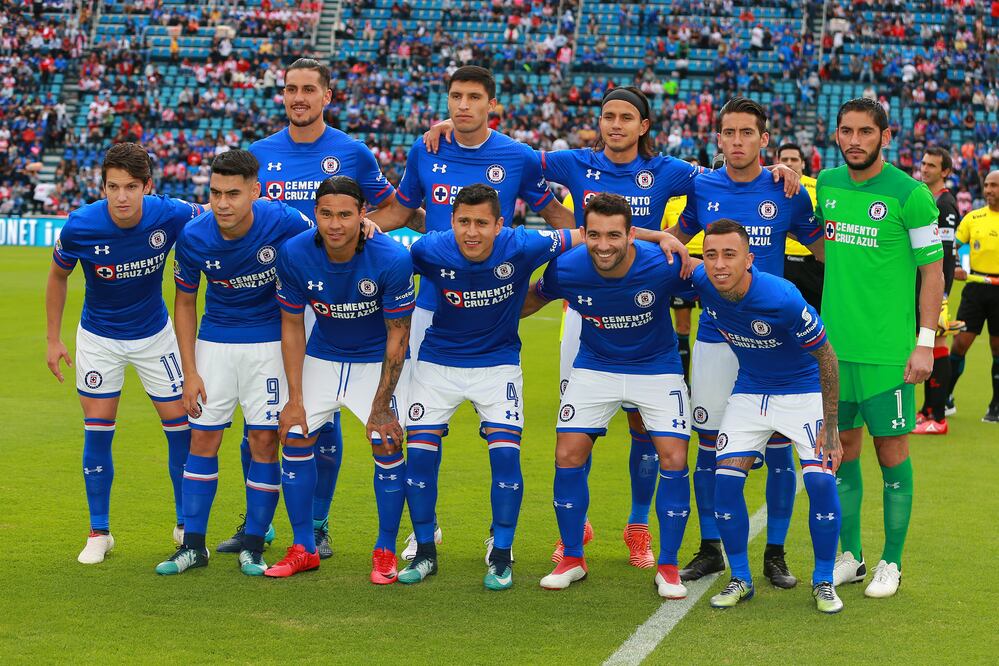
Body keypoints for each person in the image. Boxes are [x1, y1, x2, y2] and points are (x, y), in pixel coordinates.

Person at [229, 57, 419, 559]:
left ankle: (317, 523)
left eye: (309, 89)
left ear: (327, 96)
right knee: (265, 417)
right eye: (291, 89)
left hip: (335, 295)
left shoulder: (352, 152)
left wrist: (371, 225)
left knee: (324, 421)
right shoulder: (259, 153)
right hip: (274, 297)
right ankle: (258, 520)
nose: (299, 98)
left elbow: (393, 207)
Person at [387, 66, 574, 561]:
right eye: (456, 96)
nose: (463, 105)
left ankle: (500, 536)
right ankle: (423, 531)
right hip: (430, 311)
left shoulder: (517, 156)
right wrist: (355, 229)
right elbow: (402, 213)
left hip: (493, 313)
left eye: (474, 97)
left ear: (493, 104)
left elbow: (558, 218)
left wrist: (601, 248)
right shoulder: (426, 148)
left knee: (500, 438)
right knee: (419, 432)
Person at [670, 98, 823, 588]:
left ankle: (775, 553)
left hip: (774, 343)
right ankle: (710, 547)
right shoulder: (702, 186)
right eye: (729, 133)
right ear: (718, 138)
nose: (737, 141)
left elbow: (826, 252)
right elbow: (673, 239)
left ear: (764, 139)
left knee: (779, 449)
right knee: (708, 447)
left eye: (747, 133)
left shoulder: (787, 190)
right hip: (716, 337)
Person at [400, 184, 578, 590]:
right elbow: (380, 257)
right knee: (420, 458)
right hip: (438, 364)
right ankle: (425, 550)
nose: (472, 232)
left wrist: (660, 238)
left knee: (506, 458)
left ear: (500, 224)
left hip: (498, 366)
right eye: (463, 221)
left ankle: (500, 553)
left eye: (482, 223)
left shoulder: (524, 244)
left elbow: (591, 236)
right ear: (451, 222)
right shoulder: (429, 249)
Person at [521, 193, 694, 599]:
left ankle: (668, 566)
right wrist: (483, 318)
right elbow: (532, 299)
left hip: (656, 368)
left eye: (614, 235)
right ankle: (573, 558)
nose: (603, 245)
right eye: (595, 235)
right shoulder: (567, 267)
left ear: (632, 235)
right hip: (595, 366)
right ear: (584, 234)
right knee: (567, 454)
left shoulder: (663, 264)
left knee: (674, 458)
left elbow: (717, 283)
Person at [155, 150, 312, 576]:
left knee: (264, 443)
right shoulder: (193, 236)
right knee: (201, 442)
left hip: (270, 347)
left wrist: (368, 226)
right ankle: (193, 546)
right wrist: (190, 371)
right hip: (215, 344)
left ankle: (255, 546)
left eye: (233, 194)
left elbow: (326, 240)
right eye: (215, 193)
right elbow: (184, 303)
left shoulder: (285, 221)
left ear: (255, 191)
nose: (222, 203)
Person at [46, 142, 204, 564]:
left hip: (156, 336)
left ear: (147, 186)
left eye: (131, 187)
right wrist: (53, 339)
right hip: (99, 339)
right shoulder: (80, 225)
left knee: (181, 429)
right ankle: (99, 532)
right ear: (102, 186)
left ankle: (186, 525)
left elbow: (218, 214)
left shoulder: (170, 214)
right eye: (113, 187)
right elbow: (58, 277)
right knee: (97, 430)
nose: (121, 197)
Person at [817, 97, 944, 598]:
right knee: (841, 453)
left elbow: (933, 273)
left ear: (885, 137)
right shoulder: (827, 184)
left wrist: (925, 343)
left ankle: (892, 562)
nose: (854, 141)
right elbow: (822, 245)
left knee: (891, 454)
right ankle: (851, 556)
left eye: (865, 132)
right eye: (846, 131)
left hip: (888, 354)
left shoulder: (911, 195)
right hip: (833, 351)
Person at [690, 220, 844, 614]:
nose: (719, 264)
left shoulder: (782, 297)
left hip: (801, 391)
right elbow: (664, 251)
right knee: (725, 484)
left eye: (729, 255)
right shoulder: (703, 281)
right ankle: (741, 578)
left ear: (749, 259)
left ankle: (824, 581)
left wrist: (831, 426)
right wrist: (657, 236)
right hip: (750, 391)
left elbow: (827, 356)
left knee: (821, 482)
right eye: (710, 255)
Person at [271, 176, 415, 580]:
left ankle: (385, 550)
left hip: (374, 361)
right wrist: (294, 398)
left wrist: (382, 405)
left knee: (387, 441)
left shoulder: (391, 258)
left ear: (363, 214)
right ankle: (304, 547)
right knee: (294, 433)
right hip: (323, 355)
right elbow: (292, 326)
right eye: (326, 214)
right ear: (315, 213)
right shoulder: (294, 253)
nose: (335, 224)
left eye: (345, 215)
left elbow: (398, 335)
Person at [913, 146, 962, 433]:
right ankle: (926, 410)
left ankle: (938, 417)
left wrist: (942, 295)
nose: (925, 168)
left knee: (936, 344)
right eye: (923, 163)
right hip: (923, 285)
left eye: (932, 165)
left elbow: (945, 253)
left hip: (935, 288)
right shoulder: (928, 199)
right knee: (926, 343)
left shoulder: (945, 204)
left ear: (945, 171)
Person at [946, 170, 999, 423]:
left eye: (994, 186)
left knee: (997, 348)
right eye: (986, 185)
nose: (988, 190)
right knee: (960, 344)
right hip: (975, 289)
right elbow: (952, 246)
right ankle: (945, 397)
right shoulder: (973, 217)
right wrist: (956, 265)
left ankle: (996, 405)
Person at [777, 142, 824, 311]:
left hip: (812, 263)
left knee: (817, 314)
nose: (789, 163)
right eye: (784, 159)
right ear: (777, 162)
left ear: (803, 163)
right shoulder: (769, 187)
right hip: (783, 262)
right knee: (782, 315)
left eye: (794, 159)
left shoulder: (818, 186)